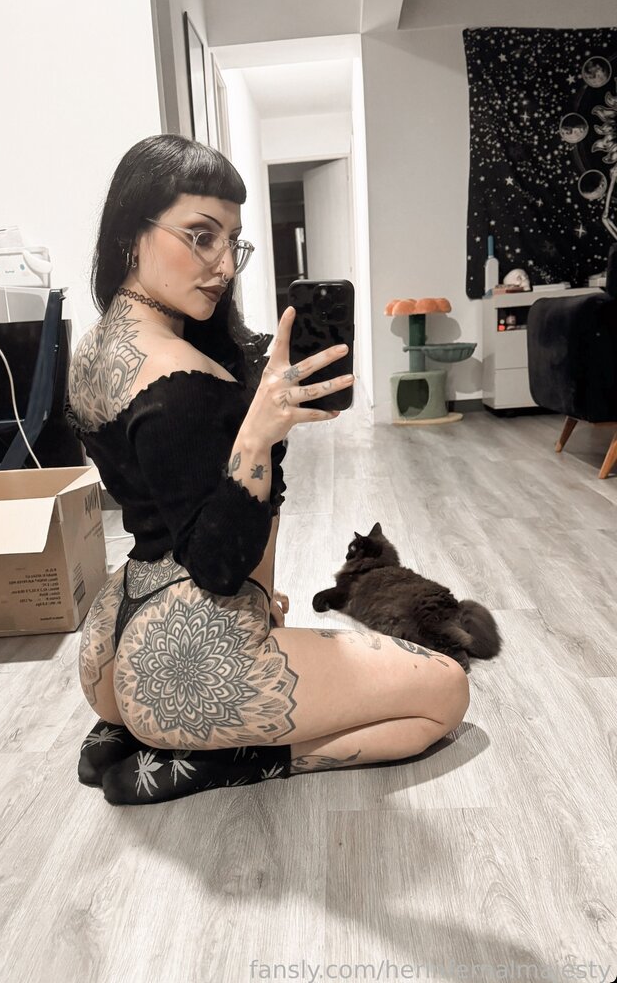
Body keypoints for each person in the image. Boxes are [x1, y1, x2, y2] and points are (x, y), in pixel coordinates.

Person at [65, 134, 470, 806]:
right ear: (131, 234)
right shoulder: (181, 377)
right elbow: (219, 566)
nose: (224, 265)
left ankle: (131, 733)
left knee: (274, 631)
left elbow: (171, 504)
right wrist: (256, 437)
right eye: (201, 236)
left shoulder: (97, 346)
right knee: (445, 694)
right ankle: (221, 760)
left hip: (112, 647)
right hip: (184, 667)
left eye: (233, 241)